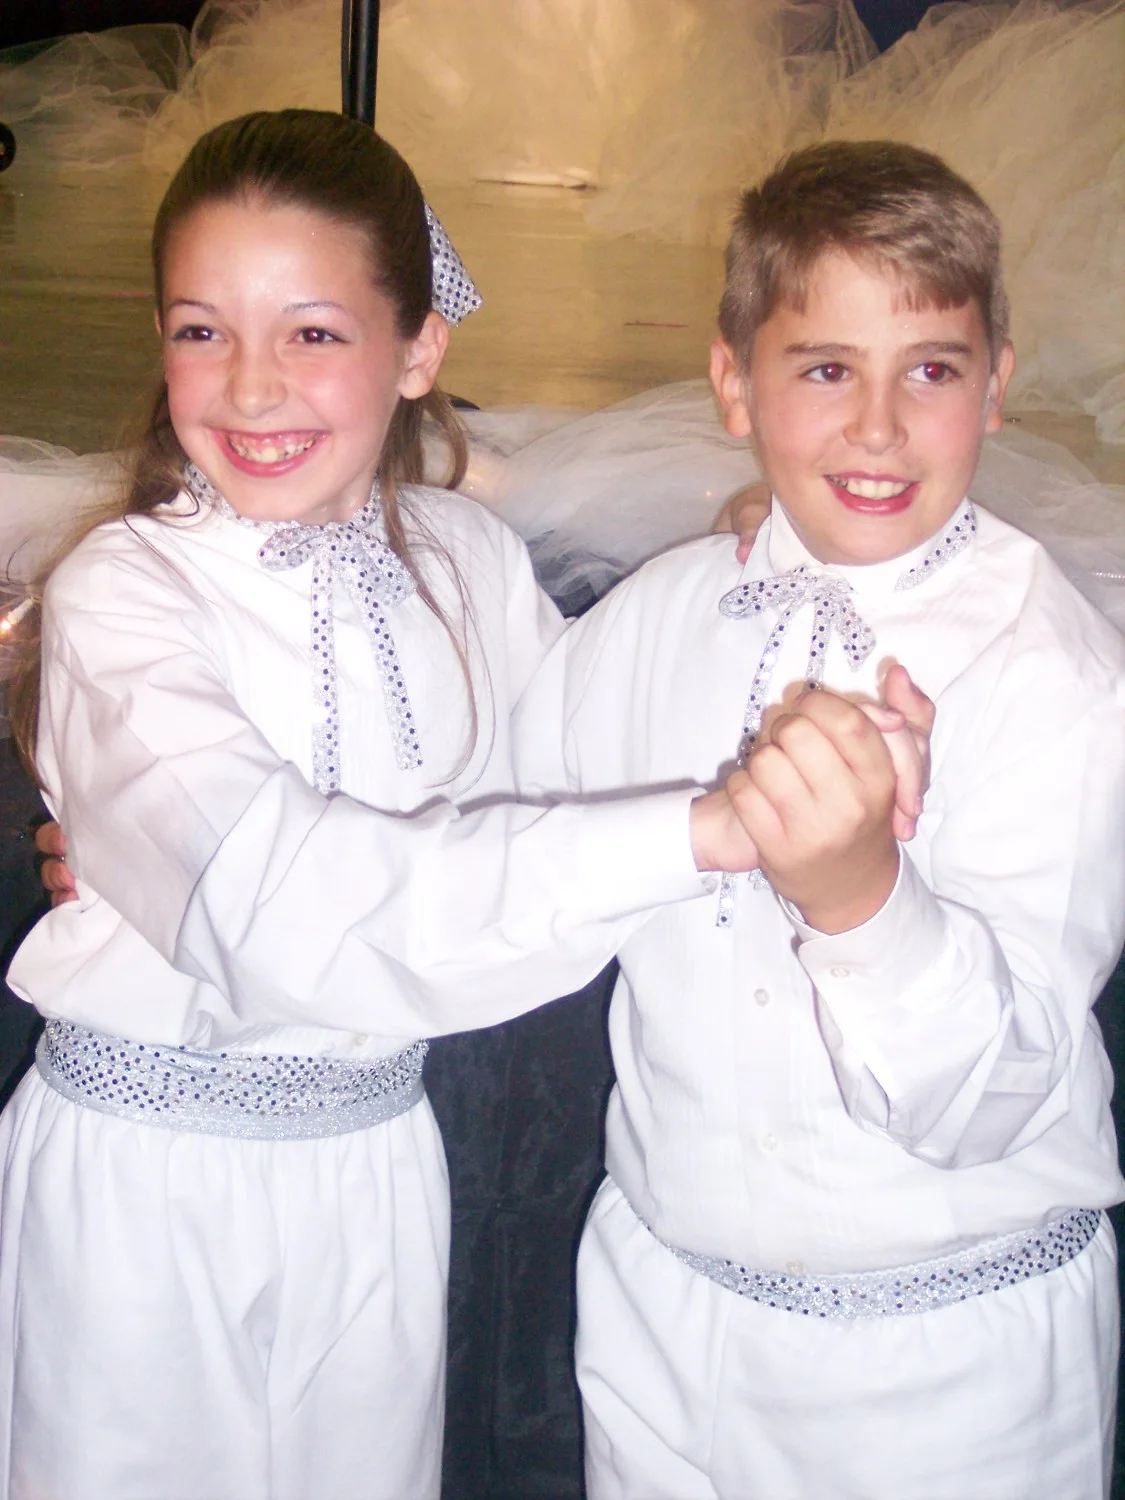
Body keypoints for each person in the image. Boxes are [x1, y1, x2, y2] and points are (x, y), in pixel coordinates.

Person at [0, 107, 789, 1500]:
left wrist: (745, 576)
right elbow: (276, 908)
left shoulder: (470, 564)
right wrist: (690, 837)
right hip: (143, 1189)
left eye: (312, 333)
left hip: (374, 1166)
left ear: (419, 348)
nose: (252, 388)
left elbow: (594, 749)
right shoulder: (126, 591)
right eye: (200, 331)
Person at [512, 140, 1125, 1499]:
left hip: (942, 1368)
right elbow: (497, 814)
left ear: (997, 385)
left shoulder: (1050, 678)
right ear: (735, 384)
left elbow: (992, 1096)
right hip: (663, 1319)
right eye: (826, 370)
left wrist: (862, 901)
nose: (879, 428)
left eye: (932, 371)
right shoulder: (662, 619)